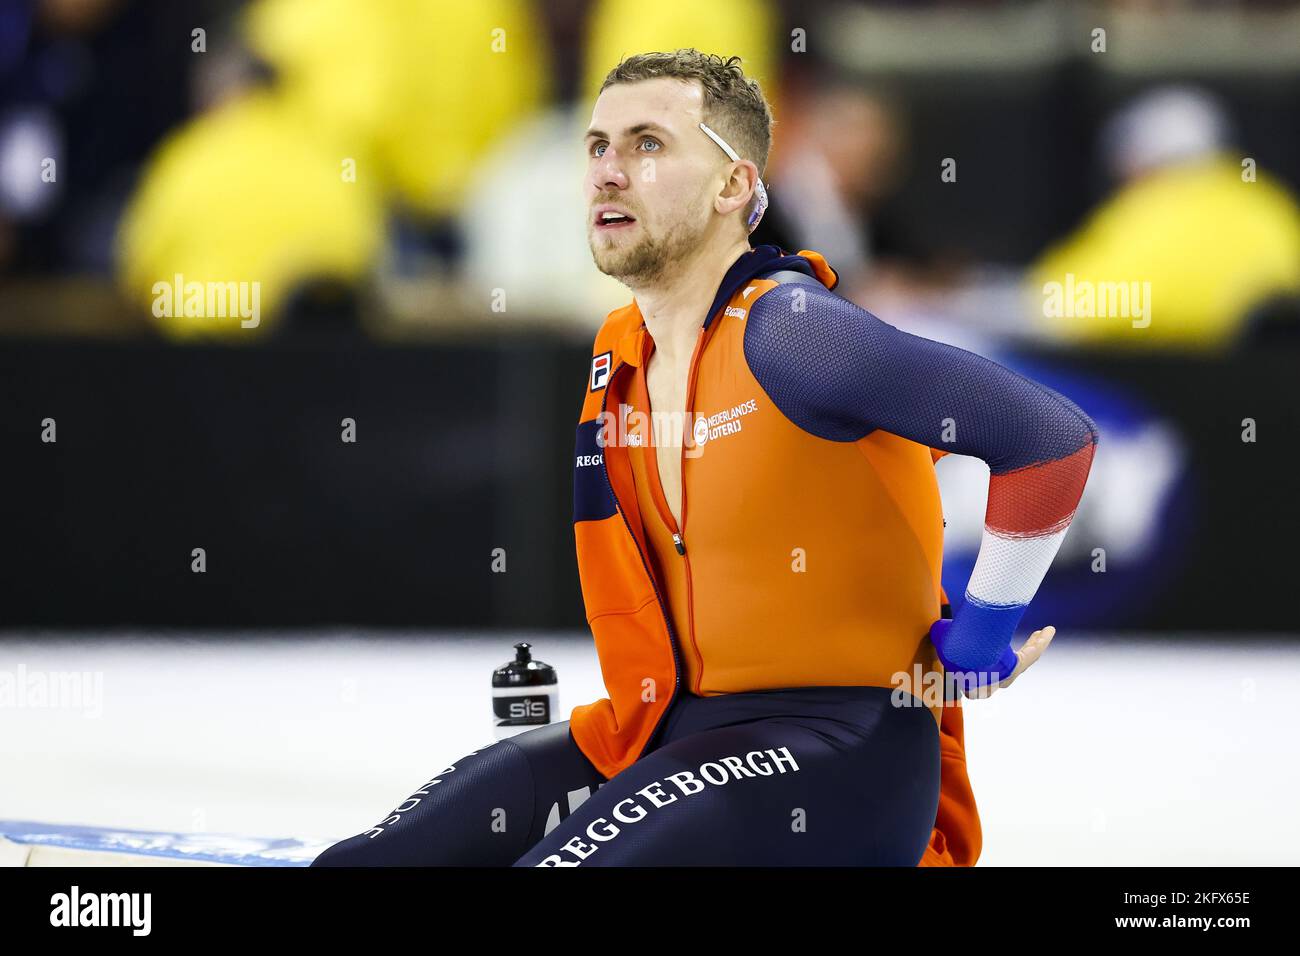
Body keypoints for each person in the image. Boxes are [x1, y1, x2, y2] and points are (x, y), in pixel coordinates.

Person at [313, 49, 1098, 868]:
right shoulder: (619, 350)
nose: (608, 173)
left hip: (836, 747)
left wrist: (978, 639)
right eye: (596, 146)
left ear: (733, 187)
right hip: (660, 729)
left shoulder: (794, 333)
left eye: (648, 145)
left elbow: (1048, 441)